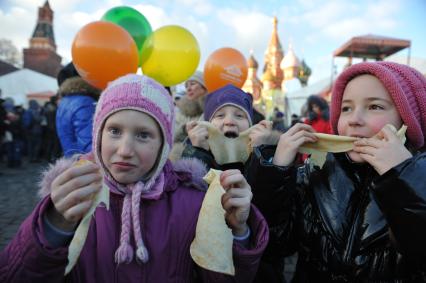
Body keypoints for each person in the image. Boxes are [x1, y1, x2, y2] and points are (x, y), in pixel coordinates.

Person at [0, 74, 268, 282]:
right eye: (114, 130)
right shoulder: (69, 198)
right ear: (98, 134)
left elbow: (224, 278)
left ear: (164, 144)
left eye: (143, 135)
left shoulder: (195, 203)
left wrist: (238, 232)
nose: (125, 150)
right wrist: (54, 226)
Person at [246, 61, 426, 282]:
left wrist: (402, 177)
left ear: (408, 120)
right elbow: (275, 243)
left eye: (375, 106)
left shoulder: (420, 179)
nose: (354, 120)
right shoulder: (318, 171)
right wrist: (276, 169)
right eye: (346, 108)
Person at [183, 84, 284, 283]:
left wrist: (262, 154)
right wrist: (197, 154)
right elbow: (187, 212)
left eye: (239, 116)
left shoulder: (269, 159)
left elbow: (276, 221)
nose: (229, 121)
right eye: (219, 116)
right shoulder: (192, 155)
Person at [56, 62, 100, 157]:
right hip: (86, 163)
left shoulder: (64, 101)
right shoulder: (85, 101)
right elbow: (88, 143)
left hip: (71, 158)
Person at [170, 70, 208, 161]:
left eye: (193, 84)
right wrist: (183, 130)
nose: (188, 88)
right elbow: (171, 137)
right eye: (186, 86)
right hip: (180, 160)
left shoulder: (213, 109)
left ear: (204, 87)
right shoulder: (181, 112)